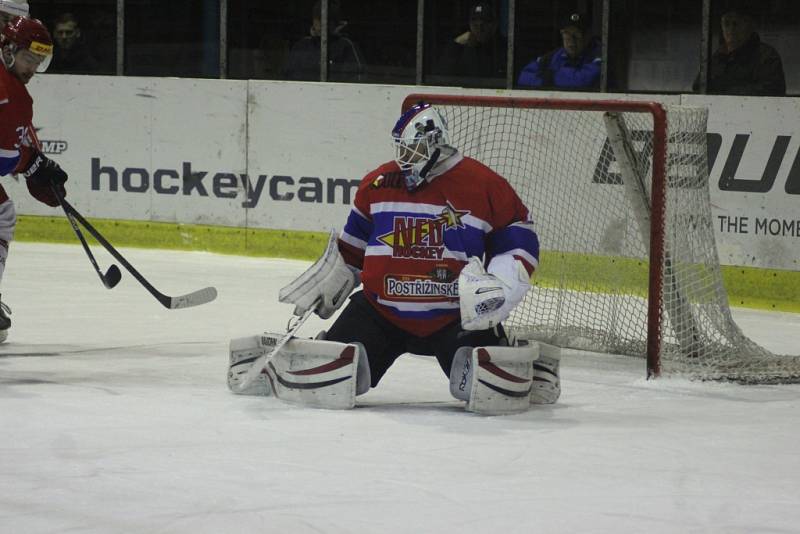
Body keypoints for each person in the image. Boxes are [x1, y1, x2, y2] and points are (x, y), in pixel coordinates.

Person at [267, 102, 560, 411]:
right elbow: (353, 249)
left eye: (414, 150)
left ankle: (531, 363)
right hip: (381, 312)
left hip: (456, 316)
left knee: (492, 391)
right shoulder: (379, 183)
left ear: (435, 142)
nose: (405, 159)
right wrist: (330, 280)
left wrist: (502, 282)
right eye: (402, 150)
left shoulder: (484, 184)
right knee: (325, 382)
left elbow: (518, 238)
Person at [0, 16, 69, 342]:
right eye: (29, 58)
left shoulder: (14, 90)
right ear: (9, 49)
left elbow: (19, 144)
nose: (32, 68)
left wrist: (35, 164)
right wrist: (31, 165)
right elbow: (4, 158)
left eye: (38, 62)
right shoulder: (8, 92)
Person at [693, 8, 785, 96]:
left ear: (749, 25)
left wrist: (727, 91)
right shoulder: (717, 58)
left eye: (736, 24)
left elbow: (772, 90)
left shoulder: (766, 56)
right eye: (726, 23)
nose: (731, 29)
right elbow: (698, 87)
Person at [283, 0, 363, 82]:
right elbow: (288, 77)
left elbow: (356, 78)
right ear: (313, 20)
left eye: (327, 20)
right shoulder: (301, 46)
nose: (322, 25)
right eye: (318, 19)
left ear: (334, 23)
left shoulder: (346, 46)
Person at [517, 12, 601, 90]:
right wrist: (547, 80)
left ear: (587, 36)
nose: (571, 41)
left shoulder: (598, 54)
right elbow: (524, 77)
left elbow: (582, 81)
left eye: (576, 35)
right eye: (566, 34)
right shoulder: (554, 55)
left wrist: (552, 77)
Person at [437, 1, 506, 82]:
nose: (479, 28)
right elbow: (441, 76)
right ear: (469, 24)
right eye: (475, 23)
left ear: (494, 25)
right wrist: (458, 44)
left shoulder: (504, 48)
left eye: (485, 22)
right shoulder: (459, 47)